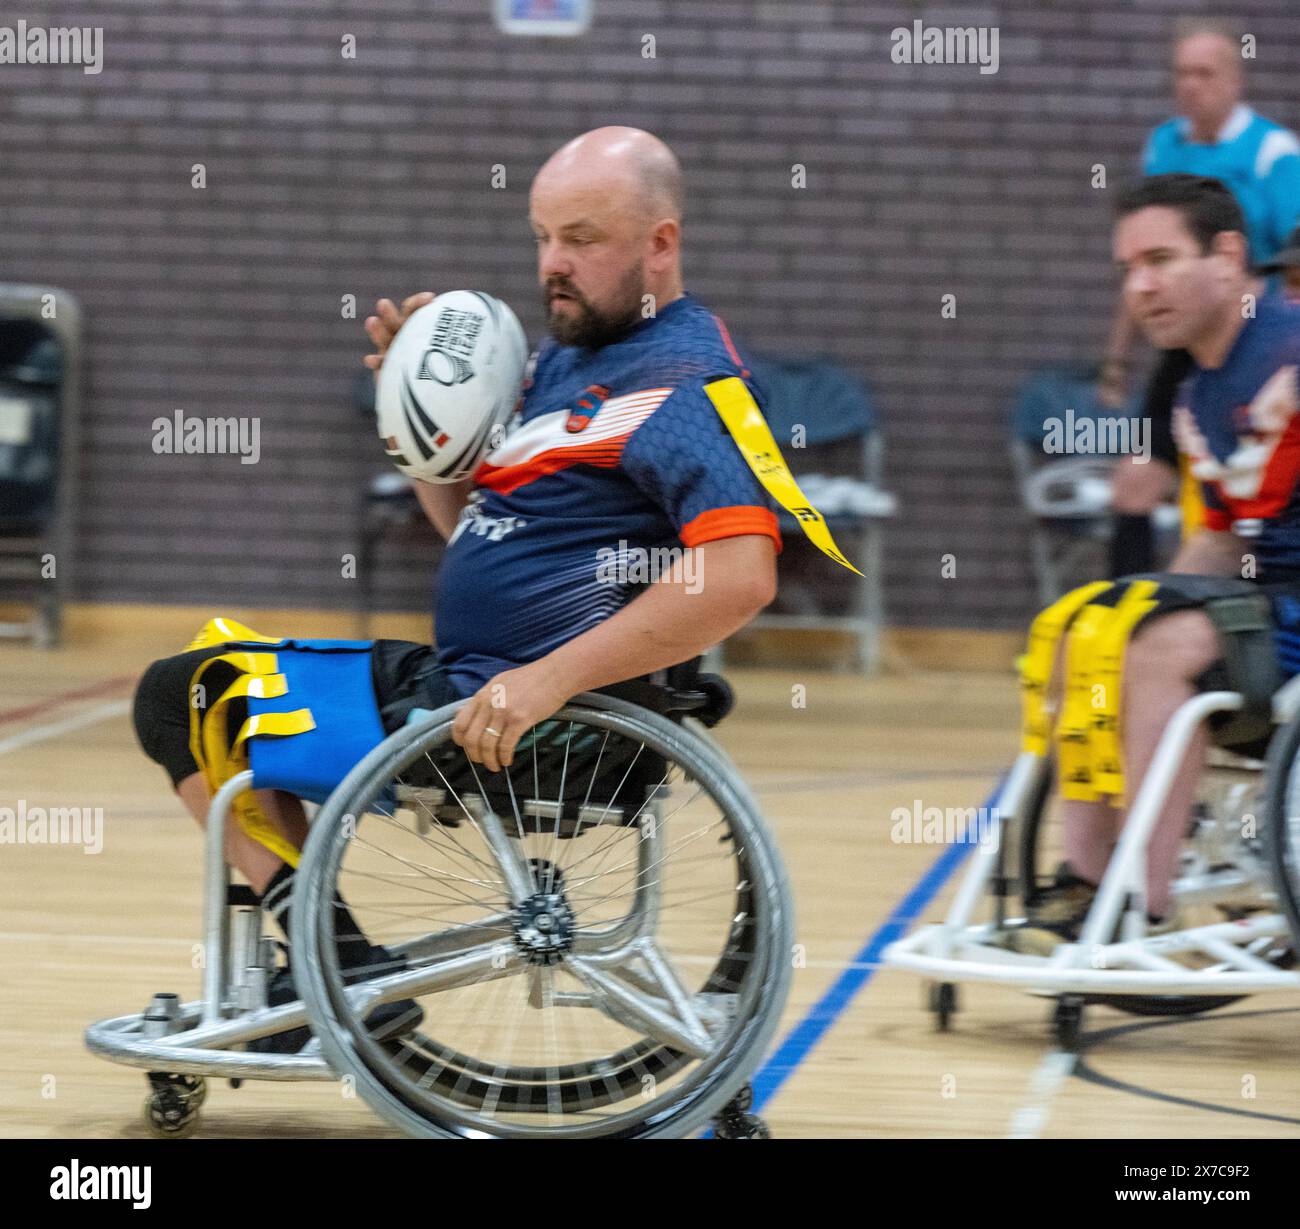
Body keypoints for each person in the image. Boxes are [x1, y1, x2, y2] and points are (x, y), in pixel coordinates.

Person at [131, 126, 783, 1045]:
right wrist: (419, 418)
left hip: (527, 721)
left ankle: (329, 957)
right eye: (543, 236)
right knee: (209, 670)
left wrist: (548, 678)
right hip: (470, 689)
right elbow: (478, 532)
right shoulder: (565, 361)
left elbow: (740, 575)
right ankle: (333, 958)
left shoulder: (685, 382)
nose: (553, 264)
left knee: (184, 696)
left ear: (660, 244)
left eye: (583, 240)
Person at [1015, 173, 1300, 953]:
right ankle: (1085, 878)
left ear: (1229, 255)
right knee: (1083, 628)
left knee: (1156, 648)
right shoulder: (1189, 381)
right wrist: (1145, 595)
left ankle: (1147, 898)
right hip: (1267, 596)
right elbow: (1223, 539)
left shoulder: (1288, 348)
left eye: (1161, 259)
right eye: (1128, 267)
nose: (1140, 286)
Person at [1101, 19, 1300, 579]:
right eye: (1181, 73)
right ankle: (1129, 616)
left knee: (1251, 501)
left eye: (1205, 74)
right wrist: (1116, 356)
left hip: (1251, 332)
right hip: (1190, 346)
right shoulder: (1164, 143)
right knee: (1136, 483)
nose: (1190, 86)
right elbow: (1146, 258)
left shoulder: (1272, 151)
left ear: (1235, 80)